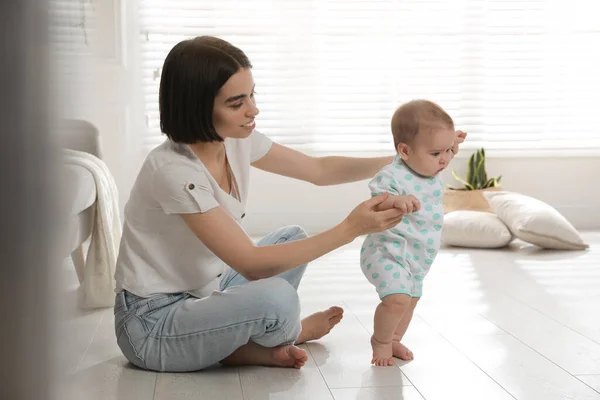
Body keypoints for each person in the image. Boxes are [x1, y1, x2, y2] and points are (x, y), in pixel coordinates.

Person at [113, 35, 408, 372]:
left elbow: (318, 170)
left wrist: (398, 163)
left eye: (252, 95)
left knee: (291, 238)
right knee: (277, 300)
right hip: (151, 324)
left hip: (207, 290)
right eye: (236, 103)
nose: (253, 110)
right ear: (197, 106)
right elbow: (252, 264)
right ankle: (283, 335)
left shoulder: (235, 141)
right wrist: (351, 229)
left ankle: (235, 346)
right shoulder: (174, 171)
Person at [360, 100, 466, 366]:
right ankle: (381, 341)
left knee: (410, 301)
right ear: (405, 151)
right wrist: (395, 201)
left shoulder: (429, 166)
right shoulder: (392, 175)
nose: (444, 159)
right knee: (397, 300)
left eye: (447, 151)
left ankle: (394, 338)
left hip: (418, 257)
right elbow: (377, 202)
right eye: (436, 153)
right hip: (388, 252)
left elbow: (442, 150)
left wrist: (453, 144)